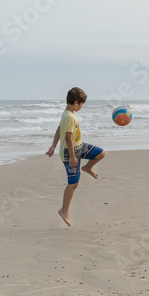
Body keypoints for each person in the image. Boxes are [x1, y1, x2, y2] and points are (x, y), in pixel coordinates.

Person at [45, 87, 105, 226]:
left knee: (100, 153)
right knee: (73, 184)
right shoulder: (69, 116)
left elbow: (60, 129)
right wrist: (72, 157)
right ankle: (64, 210)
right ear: (76, 102)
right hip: (69, 153)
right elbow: (67, 137)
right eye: (82, 104)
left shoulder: (67, 114)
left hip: (79, 146)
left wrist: (53, 146)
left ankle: (87, 168)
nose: (82, 106)